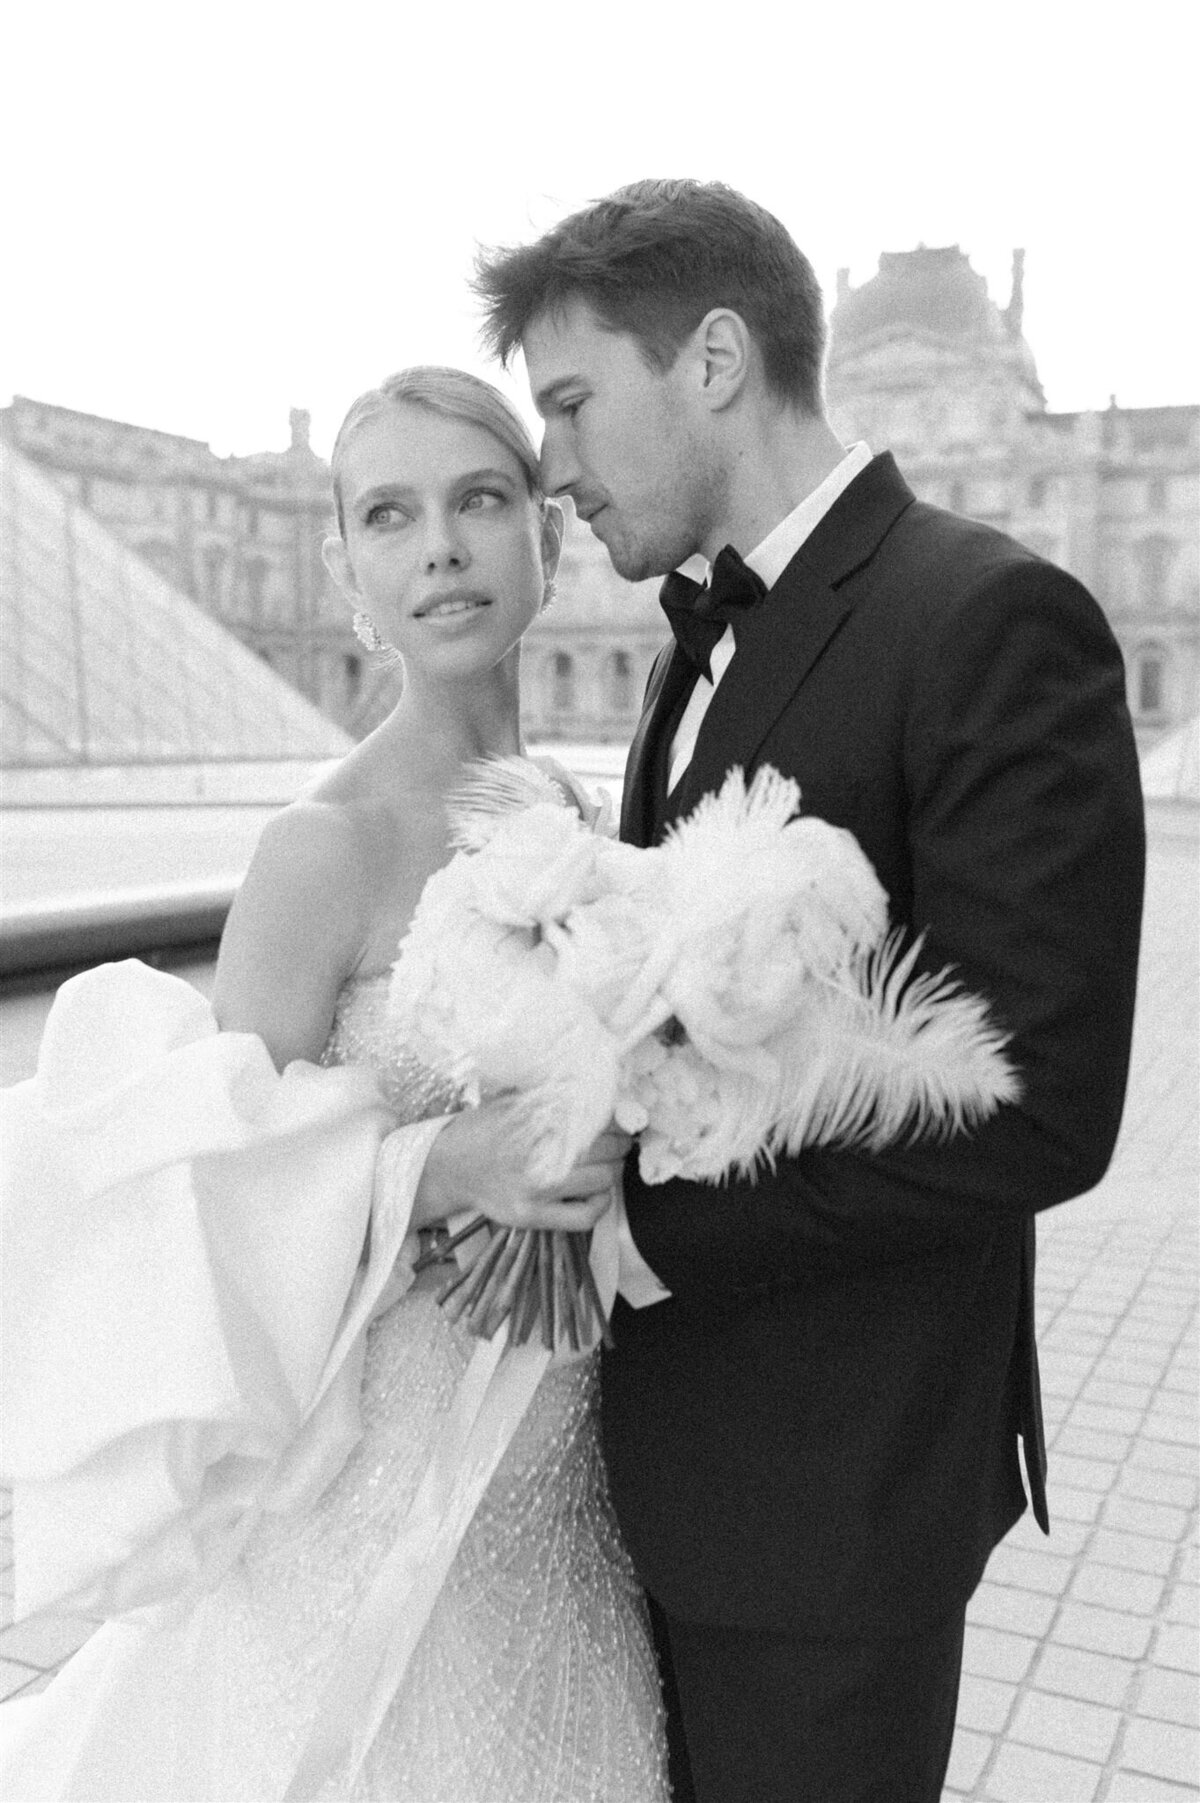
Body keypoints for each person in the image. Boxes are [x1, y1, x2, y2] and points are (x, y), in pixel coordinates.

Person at [471, 180, 1146, 1803]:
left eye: (569, 403)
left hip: (835, 1505)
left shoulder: (988, 619)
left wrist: (639, 1239)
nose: (550, 469)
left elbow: (1038, 1109)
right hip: (654, 1480)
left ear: (712, 360)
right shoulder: (683, 647)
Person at [0, 367, 669, 1802]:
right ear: (350, 572)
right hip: (370, 1500)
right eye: (390, 514)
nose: (440, 545)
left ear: (544, 539)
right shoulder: (325, 846)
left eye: (481, 500)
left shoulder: (568, 810)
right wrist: (444, 1167)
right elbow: (214, 1196)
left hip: (554, 1492)